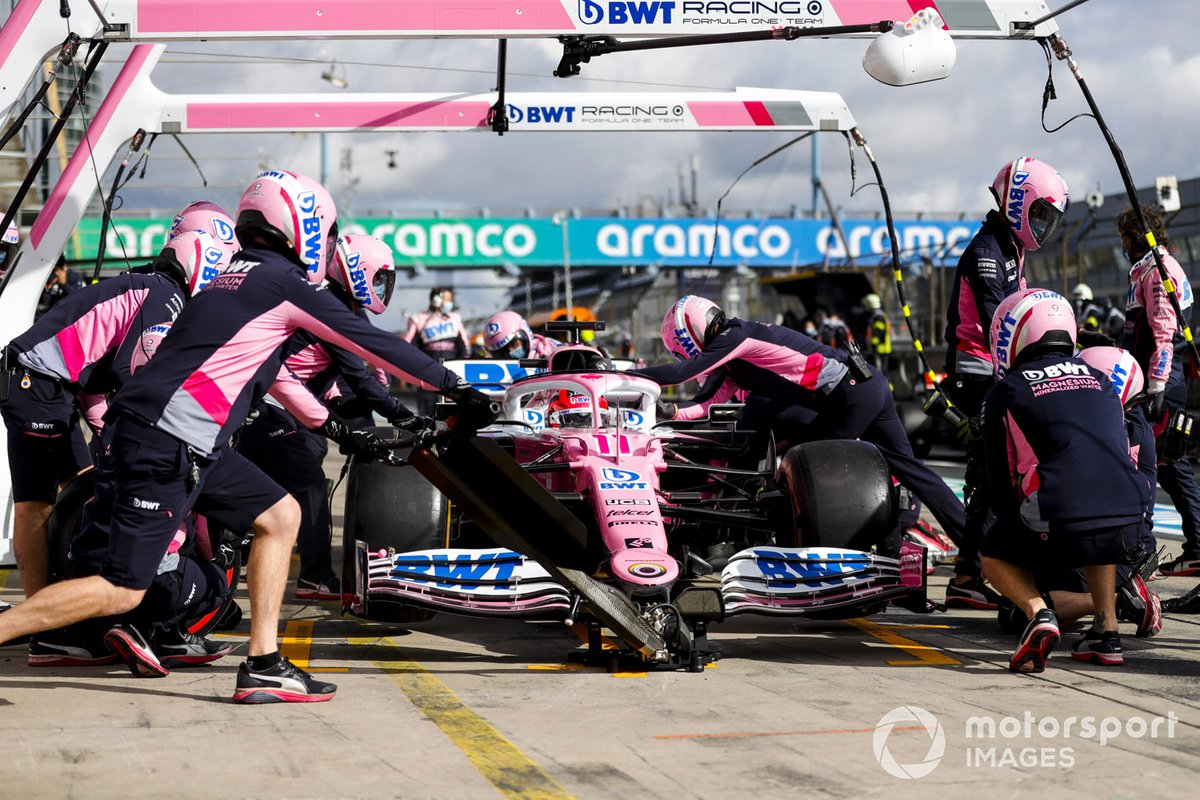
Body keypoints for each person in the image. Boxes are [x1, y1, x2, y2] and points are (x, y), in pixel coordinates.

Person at [0, 169, 495, 703]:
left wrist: (333, 428)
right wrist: (457, 387)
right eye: (326, 232)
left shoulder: (230, 279)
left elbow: (275, 376)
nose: (325, 244)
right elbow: (369, 342)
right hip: (166, 442)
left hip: (175, 440)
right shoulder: (283, 284)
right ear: (303, 223)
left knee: (281, 516)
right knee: (122, 589)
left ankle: (263, 663)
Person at [1, 224, 232, 606]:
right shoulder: (167, 297)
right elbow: (133, 374)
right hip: (37, 382)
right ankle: (37, 614)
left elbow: (99, 378)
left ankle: (65, 602)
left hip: (50, 382)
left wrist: (108, 435)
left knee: (83, 485)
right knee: (36, 503)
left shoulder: (150, 286)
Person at [635, 295, 967, 551]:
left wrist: (623, 375)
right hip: (867, 384)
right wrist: (674, 412)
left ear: (687, 335)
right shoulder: (734, 353)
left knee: (809, 475)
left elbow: (680, 373)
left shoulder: (735, 336)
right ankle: (971, 543)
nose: (683, 355)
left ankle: (886, 535)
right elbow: (709, 402)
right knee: (913, 471)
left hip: (848, 395)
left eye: (681, 349)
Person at [238, 233, 426, 600]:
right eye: (379, 278)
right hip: (267, 407)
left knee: (303, 474)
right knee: (309, 486)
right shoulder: (332, 308)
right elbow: (362, 380)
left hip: (280, 407)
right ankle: (315, 577)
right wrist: (408, 419)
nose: (383, 287)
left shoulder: (338, 303)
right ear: (359, 272)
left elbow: (362, 373)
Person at [980, 289, 1151, 672]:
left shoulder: (1005, 392)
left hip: (1061, 518)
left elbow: (999, 484)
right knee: (1099, 521)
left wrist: (1017, 540)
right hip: (1127, 520)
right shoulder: (1099, 377)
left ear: (1013, 335)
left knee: (991, 551)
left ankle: (1039, 613)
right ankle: (1106, 633)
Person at [941, 157, 1069, 610]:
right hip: (978, 374)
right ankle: (967, 573)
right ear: (1018, 204)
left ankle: (978, 569)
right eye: (1039, 215)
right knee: (992, 472)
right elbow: (1004, 319)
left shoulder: (1010, 248)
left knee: (1001, 473)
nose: (1043, 226)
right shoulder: (987, 254)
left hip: (997, 372)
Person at [1118, 205, 1200, 578]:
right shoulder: (1152, 269)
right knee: (1168, 470)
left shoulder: (1156, 272)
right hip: (1161, 380)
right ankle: (1194, 546)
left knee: (1158, 467)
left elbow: (1163, 336)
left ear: (1135, 238)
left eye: (1123, 239)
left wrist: (1155, 389)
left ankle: (1153, 548)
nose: (1122, 245)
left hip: (1161, 384)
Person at [402, 286, 469, 414]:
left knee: (454, 412)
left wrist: (463, 368)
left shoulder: (455, 318)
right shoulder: (418, 319)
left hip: (452, 373)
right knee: (428, 413)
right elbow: (408, 345)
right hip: (427, 374)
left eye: (451, 300)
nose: (450, 303)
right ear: (436, 300)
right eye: (447, 299)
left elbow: (464, 346)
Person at [483, 310, 560, 360]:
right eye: (503, 352)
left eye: (513, 344)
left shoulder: (554, 351)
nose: (511, 352)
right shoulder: (492, 372)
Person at [35, 255, 87, 319]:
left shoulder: (74, 277)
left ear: (64, 267)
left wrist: (64, 284)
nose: (56, 273)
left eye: (57, 270)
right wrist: (46, 289)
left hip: (68, 315)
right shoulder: (50, 277)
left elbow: (77, 299)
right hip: (51, 313)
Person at [863, 293, 892, 374]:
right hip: (881, 348)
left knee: (880, 372)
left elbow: (878, 333)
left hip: (880, 349)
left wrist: (873, 344)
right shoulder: (878, 315)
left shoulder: (878, 317)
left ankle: (886, 386)